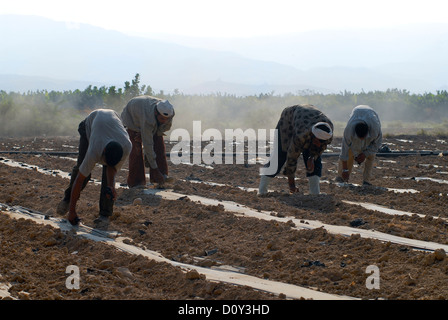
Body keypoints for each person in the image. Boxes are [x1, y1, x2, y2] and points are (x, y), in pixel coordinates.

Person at [56, 109, 132, 227]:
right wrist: (72, 212)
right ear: (104, 151)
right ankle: (67, 200)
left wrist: (111, 187)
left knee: (108, 183)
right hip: (88, 127)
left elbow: (112, 169)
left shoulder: (126, 146)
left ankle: (104, 215)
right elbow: (79, 179)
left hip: (110, 124)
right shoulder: (95, 148)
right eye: (106, 162)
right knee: (82, 171)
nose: (106, 165)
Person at [258, 104, 334, 196]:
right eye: (317, 142)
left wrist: (312, 157)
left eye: (322, 143)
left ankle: (315, 193)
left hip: (306, 117)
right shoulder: (301, 135)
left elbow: (320, 148)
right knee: (280, 156)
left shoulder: (328, 133)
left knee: (316, 162)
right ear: (313, 136)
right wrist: (292, 186)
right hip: (288, 121)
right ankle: (262, 190)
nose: (319, 144)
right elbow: (291, 159)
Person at [120, 95, 175, 188]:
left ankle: (160, 176)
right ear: (156, 113)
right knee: (136, 148)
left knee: (159, 145)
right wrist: (154, 167)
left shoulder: (169, 113)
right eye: (162, 119)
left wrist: (150, 134)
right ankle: (137, 182)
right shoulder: (148, 119)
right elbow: (148, 145)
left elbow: (161, 129)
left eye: (167, 119)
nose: (164, 121)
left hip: (145, 113)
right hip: (132, 119)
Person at [336, 105, 382, 186]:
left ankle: (366, 181)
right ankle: (341, 177)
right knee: (350, 152)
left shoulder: (375, 129)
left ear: (368, 132)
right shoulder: (349, 131)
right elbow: (344, 151)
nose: (361, 140)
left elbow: (376, 145)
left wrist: (364, 154)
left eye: (363, 138)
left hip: (371, 114)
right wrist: (345, 170)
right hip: (357, 112)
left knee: (371, 156)